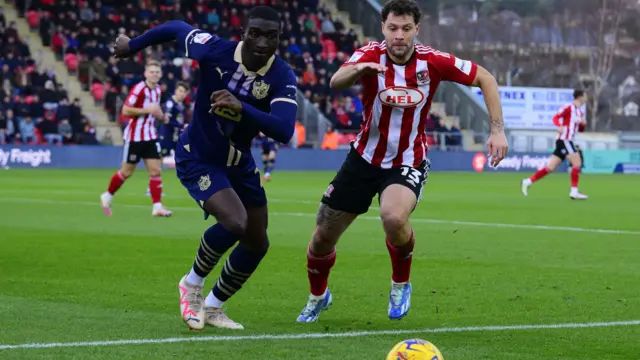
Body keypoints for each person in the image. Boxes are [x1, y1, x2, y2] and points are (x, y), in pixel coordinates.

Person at [295, 0, 508, 323]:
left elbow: (486, 79)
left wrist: (497, 132)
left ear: (416, 30)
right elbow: (336, 81)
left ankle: (400, 284)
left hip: (408, 160)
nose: (399, 35)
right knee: (322, 236)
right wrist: (359, 70)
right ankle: (318, 296)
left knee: (393, 217)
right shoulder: (369, 54)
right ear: (383, 28)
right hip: (363, 158)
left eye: (406, 29)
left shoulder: (433, 61)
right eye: (393, 28)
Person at [112, 7, 297, 330]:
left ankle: (213, 307)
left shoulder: (281, 75)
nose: (263, 41)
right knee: (235, 221)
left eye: (272, 35)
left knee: (258, 242)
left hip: (239, 161)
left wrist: (243, 108)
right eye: (256, 32)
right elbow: (175, 26)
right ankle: (191, 285)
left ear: (279, 39)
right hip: (197, 154)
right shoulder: (213, 49)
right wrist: (133, 46)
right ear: (244, 33)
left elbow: (284, 129)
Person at [100, 60, 173, 217]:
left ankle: (157, 207)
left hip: (150, 136)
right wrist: (147, 110)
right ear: (145, 74)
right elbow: (125, 111)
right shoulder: (139, 89)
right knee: (126, 172)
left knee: (155, 171)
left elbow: (155, 110)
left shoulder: (158, 90)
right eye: (151, 71)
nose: (154, 74)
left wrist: (161, 116)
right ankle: (107, 195)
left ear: (160, 75)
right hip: (135, 137)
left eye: (157, 72)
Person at [521, 89, 588, 199]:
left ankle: (527, 182)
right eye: (584, 96)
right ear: (579, 97)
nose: (586, 99)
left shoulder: (580, 112)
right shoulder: (568, 107)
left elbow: (580, 129)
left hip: (567, 141)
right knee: (577, 163)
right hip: (565, 140)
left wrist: (582, 125)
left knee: (550, 168)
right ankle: (574, 191)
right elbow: (556, 117)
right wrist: (559, 126)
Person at [146, 82, 189, 197]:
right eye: (180, 91)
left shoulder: (181, 105)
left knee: (186, 158)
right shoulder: (171, 103)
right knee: (158, 162)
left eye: (184, 92)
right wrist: (181, 126)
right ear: (175, 91)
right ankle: (151, 188)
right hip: (166, 136)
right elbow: (166, 120)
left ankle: (191, 185)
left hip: (175, 137)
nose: (182, 94)